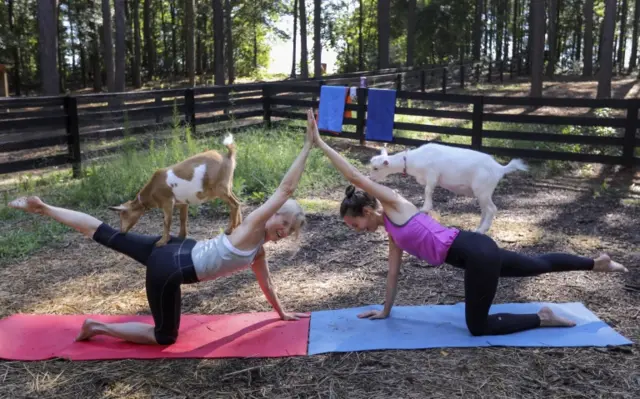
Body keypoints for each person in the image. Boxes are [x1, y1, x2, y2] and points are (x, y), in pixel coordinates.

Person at [7, 109, 319, 346]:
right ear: (274, 214)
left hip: (174, 249)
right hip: (170, 266)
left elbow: (266, 284)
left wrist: (281, 313)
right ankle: (97, 327)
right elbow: (286, 188)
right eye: (285, 222)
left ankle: (44, 207)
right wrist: (308, 146)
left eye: (289, 231)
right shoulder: (252, 226)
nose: (284, 230)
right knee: (164, 337)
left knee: (105, 233)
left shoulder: (256, 249)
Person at [308, 120, 628, 337]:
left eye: (354, 224)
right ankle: (596, 263)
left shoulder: (393, 204)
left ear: (366, 211)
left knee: (477, 327)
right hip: (474, 247)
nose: (356, 230)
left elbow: (354, 176)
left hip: (473, 255)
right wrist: (385, 311)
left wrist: (320, 143)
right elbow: (393, 275)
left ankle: (541, 318)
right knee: (536, 264)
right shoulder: (393, 231)